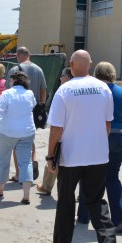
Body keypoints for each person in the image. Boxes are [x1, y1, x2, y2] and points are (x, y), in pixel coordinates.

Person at [47, 49, 116, 243]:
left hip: (71, 156)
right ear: (90, 64)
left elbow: (56, 129)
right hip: (98, 155)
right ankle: (107, 241)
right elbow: (107, 125)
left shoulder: (65, 90)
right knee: (96, 200)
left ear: (71, 64)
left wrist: (51, 155)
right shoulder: (104, 88)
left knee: (66, 203)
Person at [77, 61, 122, 232]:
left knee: (88, 176)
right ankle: (121, 218)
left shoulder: (95, 90)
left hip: (100, 136)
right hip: (119, 136)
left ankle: (84, 216)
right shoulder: (120, 91)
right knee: (112, 178)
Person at [0, 70, 36, 204]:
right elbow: (34, 105)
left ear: (14, 81)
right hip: (27, 131)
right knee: (26, 162)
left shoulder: (6, 94)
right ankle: (26, 195)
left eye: (10, 80)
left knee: (3, 160)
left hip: (7, 131)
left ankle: (0, 190)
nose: (8, 82)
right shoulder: (30, 93)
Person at [5, 46, 48, 181]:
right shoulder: (39, 69)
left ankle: (18, 174)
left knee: (16, 142)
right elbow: (43, 91)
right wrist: (41, 105)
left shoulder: (14, 70)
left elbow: (7, 90)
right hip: (34, 109)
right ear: (29, 55)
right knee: (29, 139)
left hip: (16, 110)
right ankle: (33, 160)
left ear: (18, 56)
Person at [37, 67, 73, 196]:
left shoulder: (63, 92)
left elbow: (56, 125)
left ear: (68, 77)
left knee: (53, 158)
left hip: (63, 135)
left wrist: (50, 153)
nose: (60, 78)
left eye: (62, 75)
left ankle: (46, 187)